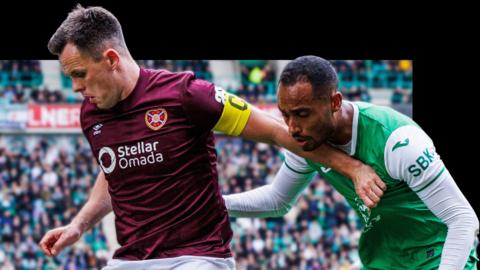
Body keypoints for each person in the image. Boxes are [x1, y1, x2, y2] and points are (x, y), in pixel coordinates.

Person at [38, 6, 386, 270]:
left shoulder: (186, 95)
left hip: (197, 258)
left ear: (111, 58)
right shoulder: (91, 113)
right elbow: (112, 169)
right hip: (131, 259)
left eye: (80, 74)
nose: (76, 87)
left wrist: (352, 168)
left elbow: (278, 132)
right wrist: (79, 225)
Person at [224, 55, 479, 269]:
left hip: (439, 261)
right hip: (382, 261)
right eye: (285, 115)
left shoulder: (397, 141)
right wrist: (212, 203)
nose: (291, 128)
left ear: (335, 102)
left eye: (302, 114)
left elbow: (463, 219)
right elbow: (277, 201)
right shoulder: (305, 142)